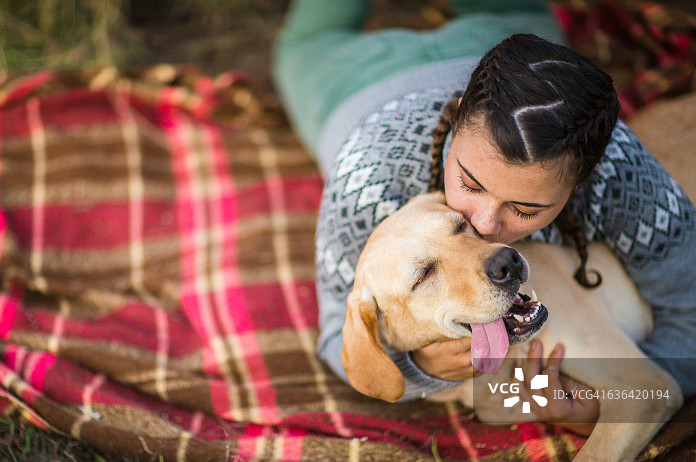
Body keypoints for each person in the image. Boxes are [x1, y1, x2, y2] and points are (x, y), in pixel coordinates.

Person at [272, 0, 696, 435]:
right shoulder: (368, 183)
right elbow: (337, 338)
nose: (488, 227)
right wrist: (424, 366)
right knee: (304, 46)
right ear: (454, 119)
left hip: (500, 31)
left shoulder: (618, 167)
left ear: (583, 179)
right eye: (470, 185)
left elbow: (691, 313)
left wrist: (619, 403)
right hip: (344, 78)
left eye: (525, 208)